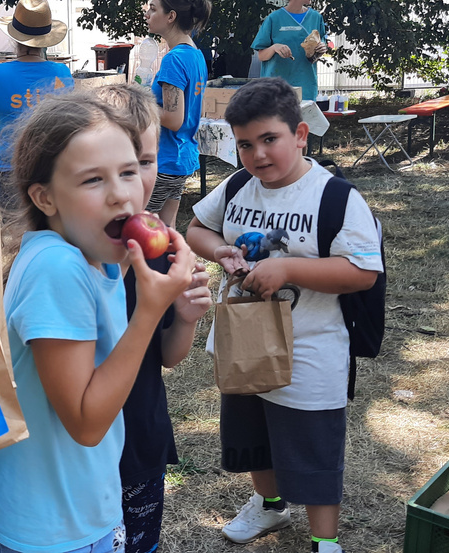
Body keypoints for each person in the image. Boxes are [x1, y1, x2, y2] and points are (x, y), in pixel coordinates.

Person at [0, 92, 195, 552]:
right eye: (92, 180)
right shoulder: (58, 270)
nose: (123, 192)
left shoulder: (87, 257)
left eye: (130, 170)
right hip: (53, 527)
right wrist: (149, 312)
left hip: (52, 508)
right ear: (44, 197)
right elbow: (85, 422)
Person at [184, 78, 382, 553]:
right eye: (245, 144)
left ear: (300, 135)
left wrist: (289, 268)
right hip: (245, 339)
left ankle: (324, 540)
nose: (257, 155)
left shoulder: (334, 197)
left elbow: (361, 272)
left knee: (313, 442)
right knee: (253, 429)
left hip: (310, 345)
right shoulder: (237, 186)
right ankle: (269, 504)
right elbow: (195, 229)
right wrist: (223, 251)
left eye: (269, 139)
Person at [92, 83, 212, 553]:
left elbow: (166, 356)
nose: (131, 184)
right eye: (106, 170)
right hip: (83, 450)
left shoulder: (159, 251)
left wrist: (183, 318)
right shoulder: (69, 261)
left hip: (140, 439)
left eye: (143, 163)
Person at [0, 0, 74, 210]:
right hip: (52, 165)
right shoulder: (62, 73)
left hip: (9, 163)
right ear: (46, 40)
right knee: (51, 229)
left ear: (15, 38)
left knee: (14, 230)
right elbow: (67, 122)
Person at [144, 0, 210, 229]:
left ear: (171, 16)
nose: (147, 12)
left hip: (164, 160)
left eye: (153, 8)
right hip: (181, 159)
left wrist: (139, 104)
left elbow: (173, 119)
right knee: (166, 232)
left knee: (142, 230)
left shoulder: (174, 59)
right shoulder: (195, 55)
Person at [251, 0, 329, 102]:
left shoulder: (316, 18)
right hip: (276, 89)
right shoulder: (274, 18)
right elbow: (261, 56)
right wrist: (274, 47)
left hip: (305, 85)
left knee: (303, 116)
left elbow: (318, 47)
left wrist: (321, 49)